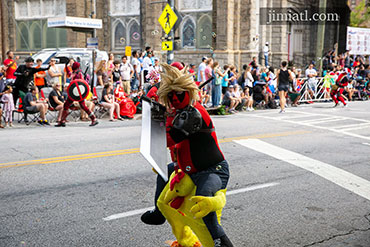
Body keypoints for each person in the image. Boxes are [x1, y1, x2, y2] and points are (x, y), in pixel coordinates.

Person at [142, 63, 233, 247]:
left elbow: (169, 138)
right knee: (164, 179)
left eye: (179, 94)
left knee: (203, 198)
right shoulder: (178, 112)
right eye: (171, 95)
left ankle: (219, 241)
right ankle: (160, 214)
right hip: (188, 171)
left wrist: (157, 116)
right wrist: (155, 110)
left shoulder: (194, 114)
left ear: (188, 92)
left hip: (212, 170)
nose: (175, 99)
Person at [56, 62, 98, 127]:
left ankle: (93, 118)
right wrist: (66, 66)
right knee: (68, 105)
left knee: (71, 106)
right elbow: (69, 73)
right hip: (74, 93)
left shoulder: (79, 74)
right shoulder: (74, 72)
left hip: (77, 93)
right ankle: (62, 121)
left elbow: (80, 83)